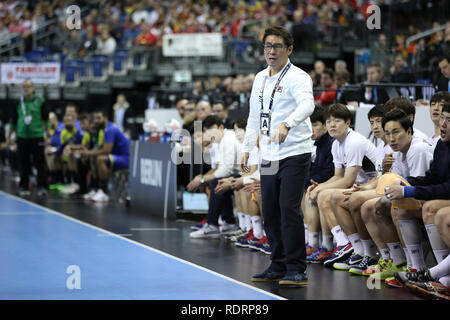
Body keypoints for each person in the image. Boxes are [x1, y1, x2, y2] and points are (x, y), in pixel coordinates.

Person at [242, 25, 315, 287]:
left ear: (289, 49)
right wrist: (247, 148)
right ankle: (278, 263)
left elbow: (308, 105)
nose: (271, 51)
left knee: (288, 209)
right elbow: (254, 117)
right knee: (270, 210)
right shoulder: (260, 78)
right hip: (269, 154)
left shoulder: (298, 77)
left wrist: (287, 124)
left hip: (295, 152)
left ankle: (297, 268)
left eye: (277, 46)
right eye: (268, 46)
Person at [188, 115, 241, 239]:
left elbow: (226, 169)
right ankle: (226, 222)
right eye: (207, 132)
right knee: (217, 181)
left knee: (217, 181)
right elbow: (221, 168)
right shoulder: (221, 140)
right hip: (237, 172)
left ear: (221, 127)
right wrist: (204, 178)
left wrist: (203, 179)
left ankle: (213, 224)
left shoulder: (227, 139)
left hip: (245, 173)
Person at [8, 79, 48, 197]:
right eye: (24, 86)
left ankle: (42, 186)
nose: (26, 88)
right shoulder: (18, 102)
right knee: (23, 163)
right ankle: (23, 186)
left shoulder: (40, 101)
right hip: (22, 137)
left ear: (33, 87)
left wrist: (48, 135)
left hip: (37, 136)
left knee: (39, 163)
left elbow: (46, 120)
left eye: (28, 86)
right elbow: (13, 121)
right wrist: (9, 137)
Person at [80, 108, 130, 203]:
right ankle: (95, 188)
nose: (96, 121)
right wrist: (88, 153)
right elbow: (100, 147)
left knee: (100, 159)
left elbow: (106, 150)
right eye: (95, 118)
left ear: (105, 118)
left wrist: (88, 152)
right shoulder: (103, 130)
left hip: (125, 159)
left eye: (99, 118)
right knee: (94, 158)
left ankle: (104, 192)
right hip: (116, 157)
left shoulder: (110, 129)